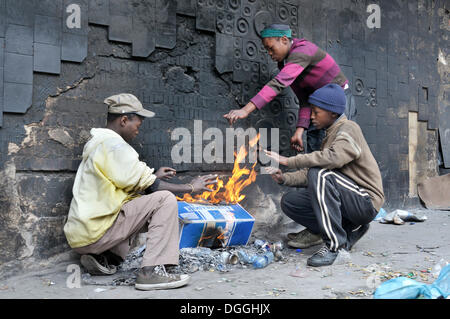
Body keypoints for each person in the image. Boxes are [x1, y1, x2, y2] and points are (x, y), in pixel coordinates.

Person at [63, 93, 217, 290]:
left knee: (134, 202)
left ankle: (105, 257)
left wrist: (153, 175)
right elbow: (152, 187)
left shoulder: (99, 143)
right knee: (164, 200)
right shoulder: (115, 145)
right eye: (138, 123)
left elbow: (127, 179)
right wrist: (191, 187)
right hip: (97, 232)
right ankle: (150, 273)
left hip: (82, 236)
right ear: (124, 119)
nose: (138, 129)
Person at [264, 84, 384, 267]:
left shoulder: (349, 128)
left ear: (333, 113)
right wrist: (285, 178)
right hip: (348, 199)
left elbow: (332, 159)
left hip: (365, 202)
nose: (311, 116)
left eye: (316, 112)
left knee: (319, 174)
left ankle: (334, 246)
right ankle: (346, 229)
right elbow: (313, 171)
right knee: (290, 202)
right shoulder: (329, 134)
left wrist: (288, 161)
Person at [224, 23, 356, 153]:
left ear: (284, 40)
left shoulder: (302, 51)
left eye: (271, 48)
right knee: (315, 150)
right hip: (318, 105)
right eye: (267, 50)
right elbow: (305, 99)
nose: (269, 53)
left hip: (339, 101)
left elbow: (278, 83)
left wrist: (245, 110)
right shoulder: (286, 64)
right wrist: (299, 131)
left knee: (338, 149)